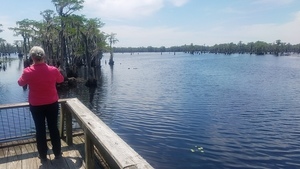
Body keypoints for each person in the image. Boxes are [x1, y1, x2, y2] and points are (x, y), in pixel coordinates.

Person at [17, 46, 64, 162]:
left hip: (36, 105)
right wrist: (57, 71)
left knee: (40, 129)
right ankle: (57, 153)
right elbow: (61, 80)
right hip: (52, 104)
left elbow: (20, 83)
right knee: (53, 128)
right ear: (44, 56)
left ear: (32, 57)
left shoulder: (28, 71)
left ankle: (43, 155)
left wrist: (27, 73)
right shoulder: (53, 70)